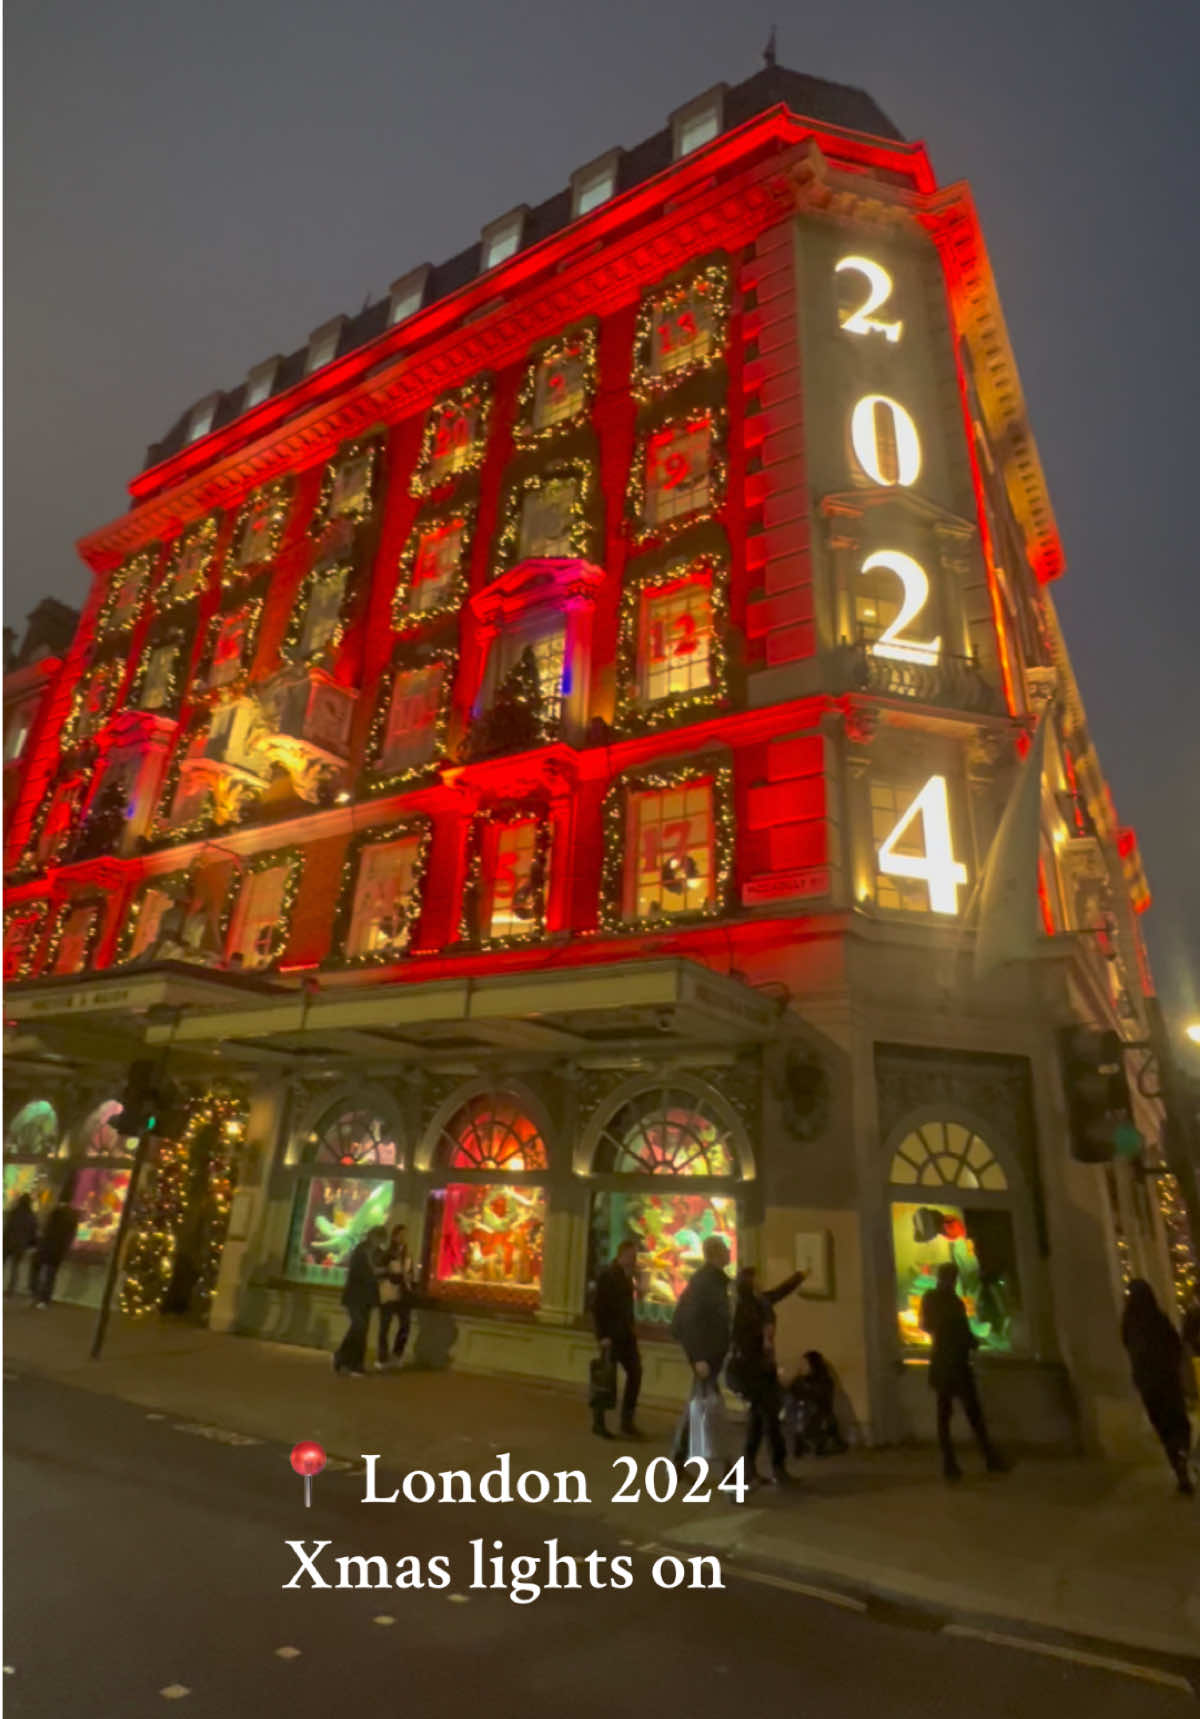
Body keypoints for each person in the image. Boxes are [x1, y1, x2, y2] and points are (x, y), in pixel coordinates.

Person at [920, 1261, 1005, 1481]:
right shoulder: (951, 1301)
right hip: (956, 1362)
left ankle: (951, 1462)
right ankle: (987, 1457)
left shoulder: (933, 1299)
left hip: (942, 1361)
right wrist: (971, 1341)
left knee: (945, 1414)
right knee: (970, 1413)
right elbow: (961, 1331)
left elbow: (926, 1325)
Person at [728, 1265, 806, 1484]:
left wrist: (799, 1277)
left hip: (763, 1369)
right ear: (749, 1283)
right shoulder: (743, 1309)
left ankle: (749, 1468)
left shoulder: (760, 1302)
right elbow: (741, 1342)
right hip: (751, 1372)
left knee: (759, 1419)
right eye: (757, 1278)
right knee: (769, 1418)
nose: (761, 1281)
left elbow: (779, 1292)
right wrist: (762, 1338)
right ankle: (773, 1469)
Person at [1120, 1278, 1194, 1496]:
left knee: (1163, 1424)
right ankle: (1182, 1455)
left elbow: (1129, 1348)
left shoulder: (1129, 1322)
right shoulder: (1157, 1319)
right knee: (1178, 1421)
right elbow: (1174, 1345)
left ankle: (1177, 1461)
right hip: (1167, 1380)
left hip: (1148, 1383)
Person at [670, 1236, 732, 1466]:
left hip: (710, 1359)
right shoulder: (705, 1282)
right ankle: (731, 1474)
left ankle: (677, 1461)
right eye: (726, 1249)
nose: (729, 1253)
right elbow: (688, 1322)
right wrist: (698, 1358)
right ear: (717, 1254)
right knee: (714, 1414)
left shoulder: (715, 1281)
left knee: (699, 1408)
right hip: (706, 1359)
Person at [592, 1239, 642, 1439]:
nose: (634, 1260)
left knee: (635, 1374)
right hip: (611, 1336)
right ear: (622, 1255)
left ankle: (627, 1421)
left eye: (635, 1257)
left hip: (626, 1336)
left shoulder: (627, 1276)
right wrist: (602, 1335)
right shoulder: (608, 1275)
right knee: (606, 1378)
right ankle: (599, 1422)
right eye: (631, 1256)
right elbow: (598, 1307)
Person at [333, 1226, 385, 1377]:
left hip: (368, 1297)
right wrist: (375, 1273)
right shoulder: (360, 1251)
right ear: (371, 1237)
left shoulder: (377, 1253)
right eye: (378, 1239)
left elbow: (384, 1265)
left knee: (360, 1329)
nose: (378, 1243)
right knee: (359, 1327)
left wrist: (382, 1271)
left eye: (381, 1240)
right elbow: (358, 1273)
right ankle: (354, 1364)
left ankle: (343, 1357)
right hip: (355, 1296)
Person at [787, 1350, 848, 1458]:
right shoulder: (800, 1380)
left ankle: (817, 1443)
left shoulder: (823, 1380)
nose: (802, 1366)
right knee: (794, 1410)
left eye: (805, 1364)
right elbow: (791, 1392)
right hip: (802, 1415)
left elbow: (821, 1398)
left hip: (817, 1415)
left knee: (810, 1413)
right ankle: (803, 1443)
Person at [377, 1223, 415, 1369]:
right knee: (385, 1326)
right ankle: (382, 1357)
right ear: (394, 1237)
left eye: (406, 1235)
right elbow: (380, 1272)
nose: (404, 1238)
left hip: (404, 1293)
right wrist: (393, 1274)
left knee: (405, 1325)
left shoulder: (408, 1254)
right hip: (389, 1292)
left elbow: (410, 1272)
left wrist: (409, 1279)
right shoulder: (387, 1254)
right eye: (401, 1235)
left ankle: (397, 1354)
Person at [30, 1195, 79, 1308]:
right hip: (58, 1251)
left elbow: (45, 1230)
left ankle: (36, 1293)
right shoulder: (72, 1217)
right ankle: (44, 1299)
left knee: (37, 1270)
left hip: (47, 1247)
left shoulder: (54, 1214)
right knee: (51, 1275)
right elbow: (70, 1236)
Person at [4, 1193, 38, 1295]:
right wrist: (32, 1245)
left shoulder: (14, 1212)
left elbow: (7, 1228)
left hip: (8, 1243)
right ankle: (11, 1289)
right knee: (15, 1267)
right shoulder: (31, 1216)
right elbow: (33, 1232)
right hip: (20, 1246)